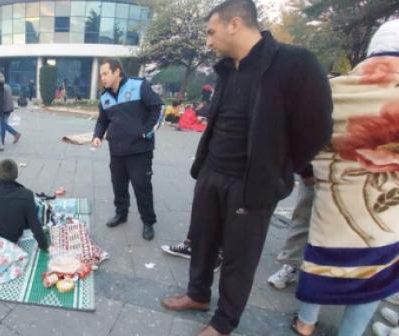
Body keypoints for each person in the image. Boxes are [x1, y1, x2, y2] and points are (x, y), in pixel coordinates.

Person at [159, 2, 333, 336]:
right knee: (202, 238)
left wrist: (283, 167)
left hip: (252, 183)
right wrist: (205, 165)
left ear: (234, 24)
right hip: (212, 171)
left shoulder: (293, 63)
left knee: (239, 257)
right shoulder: (226, 68)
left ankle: (224, 322)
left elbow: (317, 127)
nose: (208, 41)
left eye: (211, 32)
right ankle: (197, 295)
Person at [291, 19, 399, 336]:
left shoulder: (331, 89)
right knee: (376, 274)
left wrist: (309, 174)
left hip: (332, 203)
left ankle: (305, 323)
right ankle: (350, 332)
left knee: (320, 255)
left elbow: (301, 137)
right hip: (386, 213)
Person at [92, 58, 162, 241]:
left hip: (140, 150)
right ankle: (121, 214)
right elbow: (102, 120)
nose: (102, 78)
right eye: (101, 75)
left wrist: (145, 132)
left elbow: (158, 108)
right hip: (117, 150)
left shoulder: (138, 86)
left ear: (117, 72)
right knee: (119, 185)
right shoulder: (104, 97)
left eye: (105, 73)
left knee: (142, 186)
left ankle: (148, 222)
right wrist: (97, 135)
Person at [0, 159, 48, 251]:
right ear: (16, 174)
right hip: (13, 238)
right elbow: (34, 224)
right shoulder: (26, 194)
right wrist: (44, 245)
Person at [0, 73, 21, 146]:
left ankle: (3, 141)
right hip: (9, 108)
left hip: (3, 109)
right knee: (3, 124)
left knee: (2, 125)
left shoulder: (0, 88)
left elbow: (0, 100)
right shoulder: (7, 86)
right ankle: (15, 134)